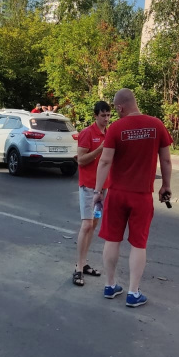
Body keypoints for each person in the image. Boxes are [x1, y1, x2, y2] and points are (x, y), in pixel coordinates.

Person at [90, 89, 173, 308]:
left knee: (112, 239)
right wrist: (166, 185)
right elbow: (166, 161)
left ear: (119, 107)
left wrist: (98, 191)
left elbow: (105, 162)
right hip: (142, 196)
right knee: (139, 243)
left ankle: (110, 285)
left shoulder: (116, 128)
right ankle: (133, 293)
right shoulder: (156, 125)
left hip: (117, 194)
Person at [72, 100, 112, 287]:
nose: (106, 119)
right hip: (88, 186)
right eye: (103, 115)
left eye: (108, 115)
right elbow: (80, 160)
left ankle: (84, 262)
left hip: (102, 188)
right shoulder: (88, 133)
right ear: (95, 115)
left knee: (93, 224)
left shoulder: (109, 133)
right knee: (86, 225)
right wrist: (99, 149)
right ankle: (78, 268)